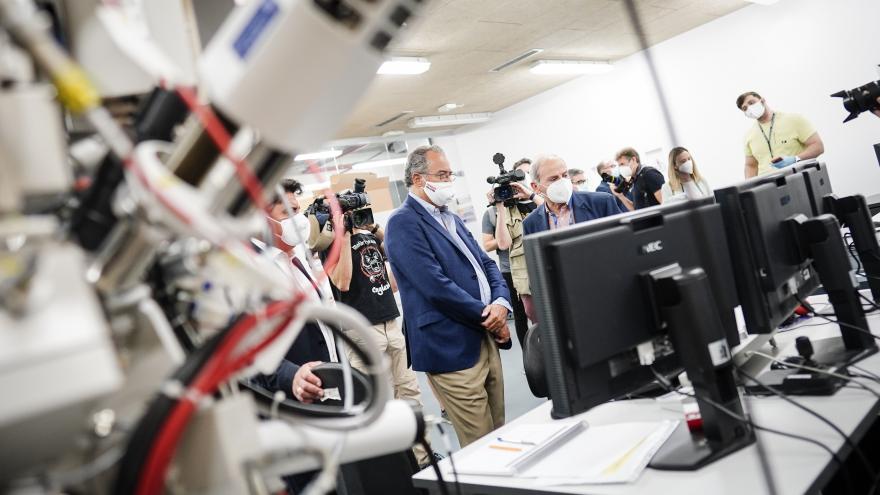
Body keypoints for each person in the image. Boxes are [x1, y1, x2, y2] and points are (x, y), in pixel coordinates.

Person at [385, 145, 512, 448]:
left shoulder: (450, 217)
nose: (448, 181)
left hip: (483, 334)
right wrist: (489, 316)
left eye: (449, 174)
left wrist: (500, 302)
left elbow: (484, 264)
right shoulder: (403, 222)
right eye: (441, 175)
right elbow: (435, 286)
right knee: (480, 441)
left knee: (499, 428)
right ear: (418, 179)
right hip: (450, 344)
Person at [327, 209, 432, 466]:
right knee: (381, 403)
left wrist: (372, 228)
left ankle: (423, 459)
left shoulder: (369, 236)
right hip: (362, 330)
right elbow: (342, 282)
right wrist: (344, 235)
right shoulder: (331, 244)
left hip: (390, 322)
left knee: (410, 391)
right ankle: (401, 466)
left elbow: (394, 254)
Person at [521, 154, 623, 320]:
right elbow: (537, 273)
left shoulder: (601, 203)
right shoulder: (531, 223)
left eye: (564, 175)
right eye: (553, 179)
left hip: (609, 297)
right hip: (567, 307)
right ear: (536, 187)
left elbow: (623, 247)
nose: (562, 182)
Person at [736, 91, 825, 178]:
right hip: (768, 185)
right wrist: (750, 185)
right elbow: (751, 165)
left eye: (751, 103)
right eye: (745, 108)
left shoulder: (793, 119)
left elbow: (818, 146)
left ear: (762, 100)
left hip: (797, 178)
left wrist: (795, 159)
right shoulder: (749, 135)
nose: (749, 108)